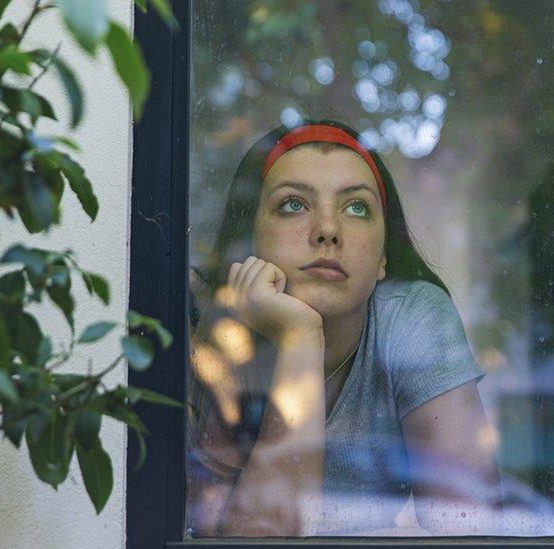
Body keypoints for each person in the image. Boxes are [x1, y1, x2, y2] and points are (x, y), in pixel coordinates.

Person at [186, 119, 502, 537]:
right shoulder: (210, 339)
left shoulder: (411, 316)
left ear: (383, 260)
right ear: (250, 240)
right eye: (293, 204)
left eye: (356, 207)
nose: (328, 231)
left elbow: (471, 525)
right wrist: (299, 337)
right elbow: (255, 538)